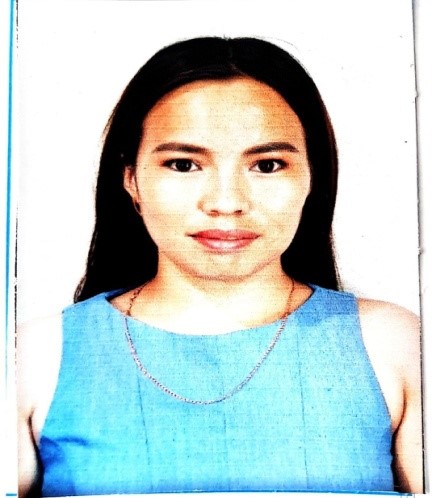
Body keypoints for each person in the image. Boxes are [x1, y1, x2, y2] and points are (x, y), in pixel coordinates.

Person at [17, 37, 423, 496]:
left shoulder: (395, 345)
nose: (227, 202)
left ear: (313, 176)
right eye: (183, 164)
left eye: (267, 165)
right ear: (131, 178)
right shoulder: (36, 357)